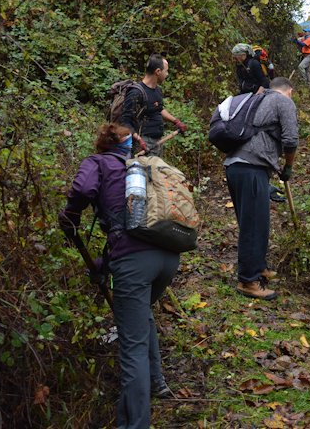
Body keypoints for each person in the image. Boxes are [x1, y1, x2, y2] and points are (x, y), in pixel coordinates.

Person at [58, 123, 179, 429]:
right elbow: (131, 228)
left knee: (132, 344)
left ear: (101, 145)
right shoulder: (138, 168)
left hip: (135, 262)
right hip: (168, 255)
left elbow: (83, 190)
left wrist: (70, 217)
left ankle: (135, 424)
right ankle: (157, 382)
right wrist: (104, 264)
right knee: (141, 317)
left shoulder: (96, 163)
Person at [223, 77, 299, 300]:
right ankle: (248, 281)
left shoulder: (256, 99)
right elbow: (291, 139)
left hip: (235, 166)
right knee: (254, 226)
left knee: (255, 222)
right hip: (252, 168)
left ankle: (258, 267)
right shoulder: (283, 102)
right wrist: (288, 167)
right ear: (289, 91)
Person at [120, 53, 187, 157]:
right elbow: (125, 122)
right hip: (142, 145)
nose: (167, 74)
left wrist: (176, 121)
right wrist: (139, 140)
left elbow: (159, 109)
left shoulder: (157, 90)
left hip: (157, 143)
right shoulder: (136, 93)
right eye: (166, 71)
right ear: (158, 72)